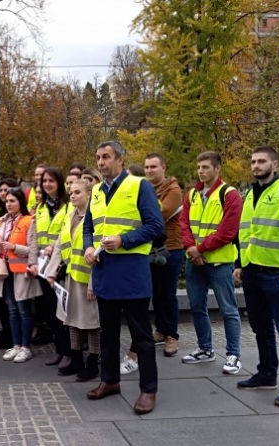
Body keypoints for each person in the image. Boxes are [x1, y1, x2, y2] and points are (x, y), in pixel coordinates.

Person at [83, 141, 164, 415]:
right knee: (107, 333)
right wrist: (87, 248)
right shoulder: (95, 190)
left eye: (106, 156)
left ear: (120, 159)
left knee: (141, 335)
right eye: (98, 157)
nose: (101, 162)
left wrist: (124, 240)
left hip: (131, 273)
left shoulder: (140, 186)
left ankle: (148, 390)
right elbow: (88, 227)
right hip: (104, 273)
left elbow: (156, 226)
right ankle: (110, 381)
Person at [234, 146, 279, 408]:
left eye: (261, 161)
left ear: (274, 164)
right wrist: (240, 263)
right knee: (260, 327)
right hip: (253, 272)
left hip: (278, 273)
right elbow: (245, 232)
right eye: (253, 161)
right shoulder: (249, 193)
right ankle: (266, 374)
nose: (256, 165)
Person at [179, 151, 243, 374]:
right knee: (197, 306)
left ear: (217, 169)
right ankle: (205, 349)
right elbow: (184, 224)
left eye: (206, 167)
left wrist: (200, 249)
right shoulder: (192, 195)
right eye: (199, 167)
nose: (201, 171)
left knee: (228, 309)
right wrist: (190, 249)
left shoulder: (230, 194)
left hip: (220, 263)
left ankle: (233, 354)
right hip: (195, 262)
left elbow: (228, 232)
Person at [120, 153, 184, 373]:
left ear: (163, 167)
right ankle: (160, 330)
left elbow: (159, 214)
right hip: (149, 249)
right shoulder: (144, 188)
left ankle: (171, 336)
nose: (149, 170)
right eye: (146, 167)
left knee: (166, 294)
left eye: (153, 166)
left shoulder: (173, 191)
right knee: (153, 294)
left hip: (170, 249)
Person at [45, 179, 100, 381]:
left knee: (91, 323)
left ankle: (93, 362)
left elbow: (99, 255)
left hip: (87, 280)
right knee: (72, 320)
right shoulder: (70, 216)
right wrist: (51, 272)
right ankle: (76, 358)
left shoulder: (95, 218)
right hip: (71, 277)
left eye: (77, 192)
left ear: (88, 194)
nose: (73, 195)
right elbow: (59, 245)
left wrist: (94, 285)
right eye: (71, 192)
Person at [30, 167, 71, 367]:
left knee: (64, 311)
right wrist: (32, 262)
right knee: (51, 311)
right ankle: (60, 349)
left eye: (51, 181)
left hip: (62, 264)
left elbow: (69, 232)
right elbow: (34, 237)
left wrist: (54, 247)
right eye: (44, 181)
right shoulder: (40, 207)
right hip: (43, 266)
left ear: (59, 183)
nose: (47, 184)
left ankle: (70, 351)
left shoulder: (68, 206)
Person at [0, 187, 39, 363]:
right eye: (7, 201)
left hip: (21, 271)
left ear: (21, 202)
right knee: (11, 310)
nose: (9, 204)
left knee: (23, 311)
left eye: (13, 201)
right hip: (6, 271)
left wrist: (13, 248)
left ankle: (26, 346)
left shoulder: (29, 221)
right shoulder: (1, 221)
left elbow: (33, 249)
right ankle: (16, 344)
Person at [0, 178, 18, 349]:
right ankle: (7, 331)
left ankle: (12, 335)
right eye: (1, 190)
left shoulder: (15, 215)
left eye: (7, 190)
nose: (3, 194)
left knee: (11, 303)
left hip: (13, 263)